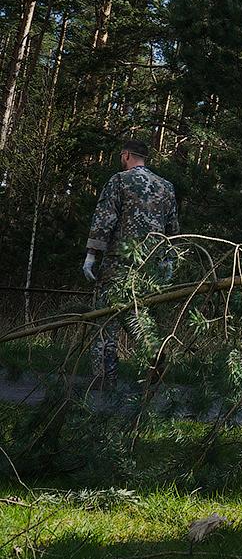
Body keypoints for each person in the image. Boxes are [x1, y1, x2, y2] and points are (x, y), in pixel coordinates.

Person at [82, 139, 179, 388]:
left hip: (118, 263)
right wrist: (168, 262)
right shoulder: (166, 187)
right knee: (144, 318)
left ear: (126, 155)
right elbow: (173, 230)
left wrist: (91, 255)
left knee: (106, 319)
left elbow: (105, 219)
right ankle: (154, 365)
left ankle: (105, 378)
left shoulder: (119, 181)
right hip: (152, 266)